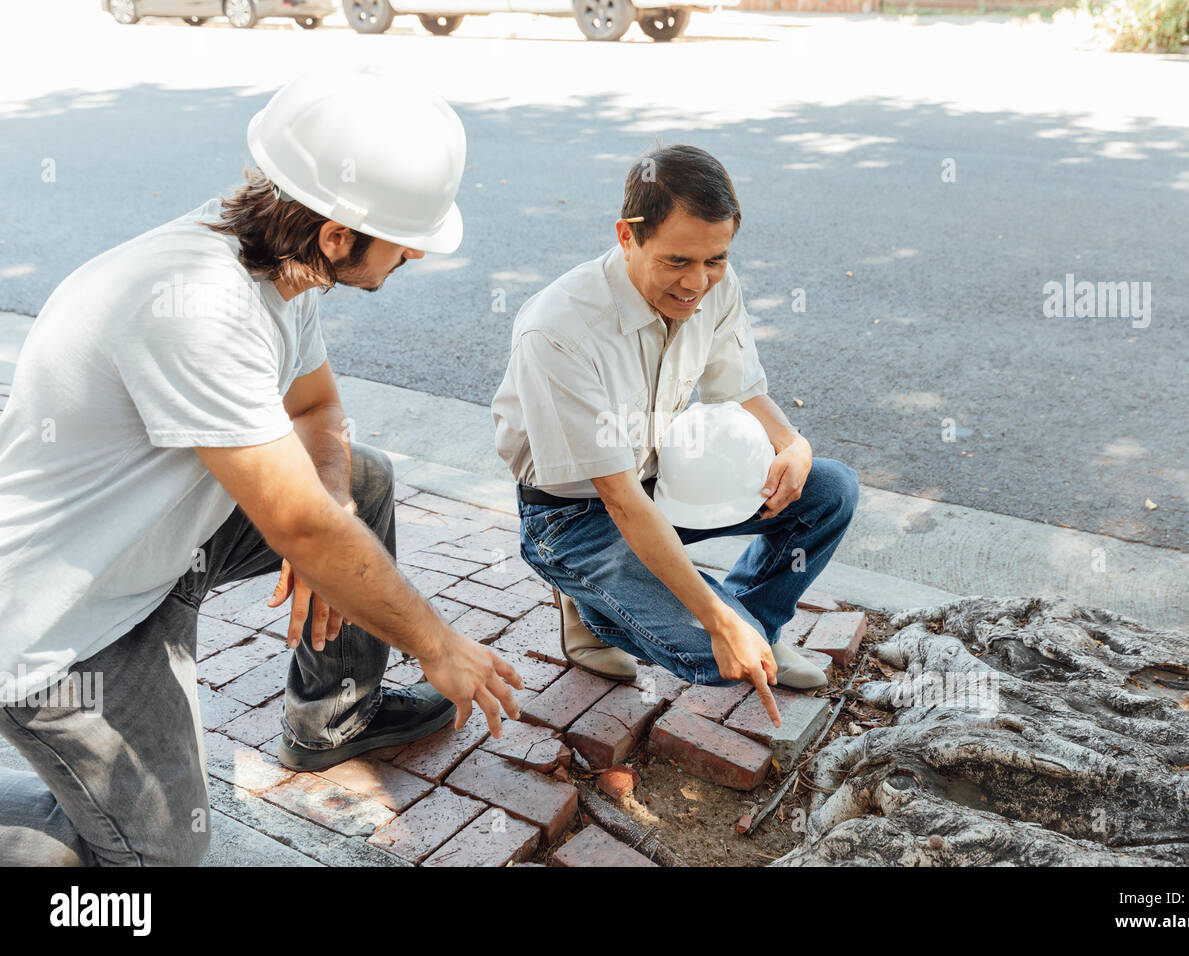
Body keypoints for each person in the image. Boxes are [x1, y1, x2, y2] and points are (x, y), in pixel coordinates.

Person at [0, 67, 522, 866]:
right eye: (406, 236)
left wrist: (330, 524)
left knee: (362, 482)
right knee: (158, 858)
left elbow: (315, 411)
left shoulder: (284, 257)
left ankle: (333, 719)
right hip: (66, 621)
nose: (417, 250)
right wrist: (437, 645)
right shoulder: (198, 305)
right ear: (338, 235)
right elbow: (298, 525)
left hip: (163, 541)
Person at [492, 144, 860, 728]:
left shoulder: (714, 283)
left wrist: (795, 444)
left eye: (716, 259)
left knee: (830, 490)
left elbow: (739, 388)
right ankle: (590, 603)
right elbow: (619, 499)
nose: (697, 282)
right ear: (627, 236)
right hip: (572, 514)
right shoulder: (557, 330)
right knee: (712, 656)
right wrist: (717, 621)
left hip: (658, 481)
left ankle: (757, 626)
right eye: (677, 261)